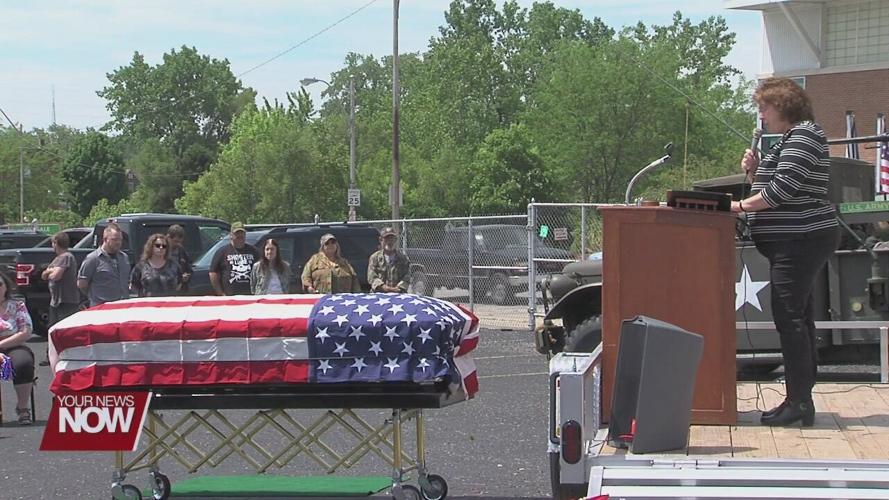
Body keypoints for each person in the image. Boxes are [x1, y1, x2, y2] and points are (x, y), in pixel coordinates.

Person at [731, 77, 840, 427]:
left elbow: (781, 192)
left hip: (801, 239)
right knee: (797, 318)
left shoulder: (805, 136)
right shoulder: (791, 140)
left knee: (790, 318)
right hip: (793, 241)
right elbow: (771, 185)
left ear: (784, 106)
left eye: (765, 106)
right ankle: (798, 399)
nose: (761, 114)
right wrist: (756, 169)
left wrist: (736, 206)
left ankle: (799, 402)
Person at [0, 273, 36, 425]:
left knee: (23, 363)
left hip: (13, 344)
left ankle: (22, 408)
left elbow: (25, 332)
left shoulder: (17, 305)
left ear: (6, 287)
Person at [78, 223, 131, 307]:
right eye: (114, 239)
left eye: (120, 239)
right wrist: (94, 297)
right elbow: (82, 284)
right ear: (105, 239)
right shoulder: (93, 259)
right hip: (101, 307)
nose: (118, 242)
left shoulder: (124, 258)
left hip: (122, 306)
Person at [41, 231, 81, 326]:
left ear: (56, 243)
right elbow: (43, 276)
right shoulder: (57, 258)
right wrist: (49, 271)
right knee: (54, 328)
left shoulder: (66, 257)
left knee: (64, 328)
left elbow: (56, 276)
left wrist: (50, 272)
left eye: (53, 243)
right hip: (56, 301)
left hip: (66, 300)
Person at [210, 222, 259, 296]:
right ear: (231, 235)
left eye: (242, 233)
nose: (240, 235)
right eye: (237, 233)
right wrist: (220, 294)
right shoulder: (222, 252)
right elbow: (213, 273)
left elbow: (263, 269)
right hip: (230, 297)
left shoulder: (254, 251)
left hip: (250, 296)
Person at [367, 227, 411, 293]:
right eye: (386, 238)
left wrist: (398, 288)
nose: (390, 241)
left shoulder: (403, 258)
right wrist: (384, 287)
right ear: (380, 240)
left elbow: (407, 277)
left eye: (392, 238)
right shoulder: (374, 258)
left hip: (398, 294)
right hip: (379, 294)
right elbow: (372, 277)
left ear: (396, 240)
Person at [167, 224, 193, 293]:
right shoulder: (160, 250)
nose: (177, 244)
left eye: (180, 241)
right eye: (175, 241)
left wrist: (186, 276)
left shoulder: (181, 250)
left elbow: (189, 267)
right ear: (168, 237)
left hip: (181, 289)